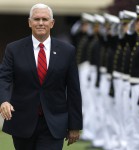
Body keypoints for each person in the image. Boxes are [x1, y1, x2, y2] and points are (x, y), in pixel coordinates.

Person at [0, 3, 83, 150]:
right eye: (36, 19)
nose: (40, 23)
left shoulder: (67, 51)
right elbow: (4, 77)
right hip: (23, 121)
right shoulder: (14, 49)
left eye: (45, 19)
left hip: (54, 122)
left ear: (52, 23)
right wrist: (4, 101)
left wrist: (74, 125)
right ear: (29, 22)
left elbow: (73, 90)